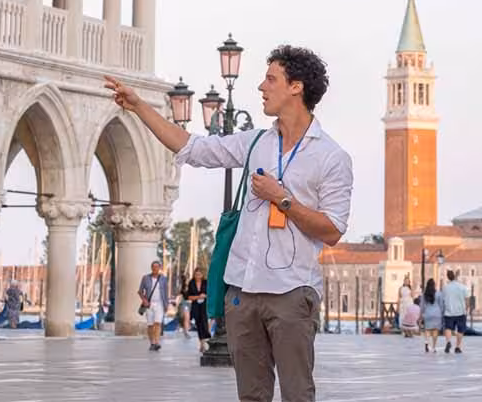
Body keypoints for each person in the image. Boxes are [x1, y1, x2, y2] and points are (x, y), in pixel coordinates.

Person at [106, 45, 353, 402]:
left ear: (296, 87)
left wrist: (281, 198)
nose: (261, 86)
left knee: (298, 394)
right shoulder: (255, 143)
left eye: (271, 78)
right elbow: (192, 148)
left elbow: (332, 230)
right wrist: (139, 107)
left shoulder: (331, 157)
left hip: (292, 294)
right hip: (242, 291)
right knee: (251, 396)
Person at [138, 260, 169, 351]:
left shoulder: (163, 279)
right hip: (149, 304)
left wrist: (166, 305)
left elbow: (166, 292)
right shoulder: (145, 278)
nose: (155, 268)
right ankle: (152, 343)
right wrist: (144, 300)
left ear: (159, 268)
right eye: (153, 267)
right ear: (151, 268)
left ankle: (156, 342)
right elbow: (140, 291)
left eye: (157, 267)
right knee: (150, 325)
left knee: (158, 323)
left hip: (160, 303)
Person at [441, 270, 468, 353]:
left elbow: (443, 300)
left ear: (448, 277)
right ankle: (458, 347)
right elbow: (467, 299)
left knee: (448, 328)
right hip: (461, 311)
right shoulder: (463, 287)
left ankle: (448, 341)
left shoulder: (445, 288)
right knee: (460, 330)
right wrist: (466, 309)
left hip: (449, 311)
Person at [187, 267, 211, 352]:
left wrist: (205, 296)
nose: (198, 276)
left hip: (204, 306)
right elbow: (189, 296)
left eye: (199, 274)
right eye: (196, 274)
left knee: (204, 323)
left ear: (202, 275)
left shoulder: (206, 282)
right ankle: (201, 343)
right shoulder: (191, 283)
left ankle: (204, 343)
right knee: (199, 324)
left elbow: (210, 294)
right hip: (196, 306)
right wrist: (198, 297)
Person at [420, 278, 444, 353]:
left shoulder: (424, 294)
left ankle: (426, 342)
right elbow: (441, 305)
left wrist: (422, 314)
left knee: (427, 330)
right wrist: (442, 313)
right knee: (435, 331)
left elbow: (422, 306)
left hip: (427, 314)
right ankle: (433, 347)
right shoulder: (439, 293)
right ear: (434, 285)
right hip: (437, 314)